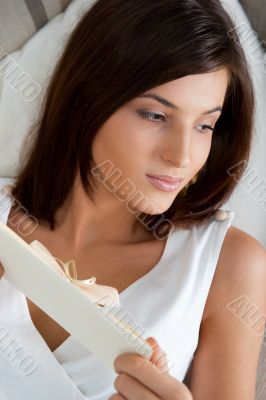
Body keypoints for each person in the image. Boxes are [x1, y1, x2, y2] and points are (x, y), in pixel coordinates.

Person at [0, 0, 265, 399]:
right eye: (155, 116)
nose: (182, 156)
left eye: (205, 125)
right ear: (85, 99)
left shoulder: (227, 264)